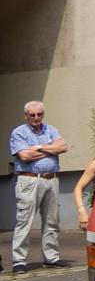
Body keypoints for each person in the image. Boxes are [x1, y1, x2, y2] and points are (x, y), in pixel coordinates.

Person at [11, 100, 68, 272]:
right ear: (26, 116)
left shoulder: (51, 129)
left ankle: (51, 258)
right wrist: (50, 149)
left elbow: (63, 147)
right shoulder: (19, 132)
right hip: (29, 180)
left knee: (52, 221)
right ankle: (19, 261)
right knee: (25, 221)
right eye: (32, 114)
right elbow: (24, 156)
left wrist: (37, 147)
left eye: (39, 114)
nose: (36, 117)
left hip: (51, 179)